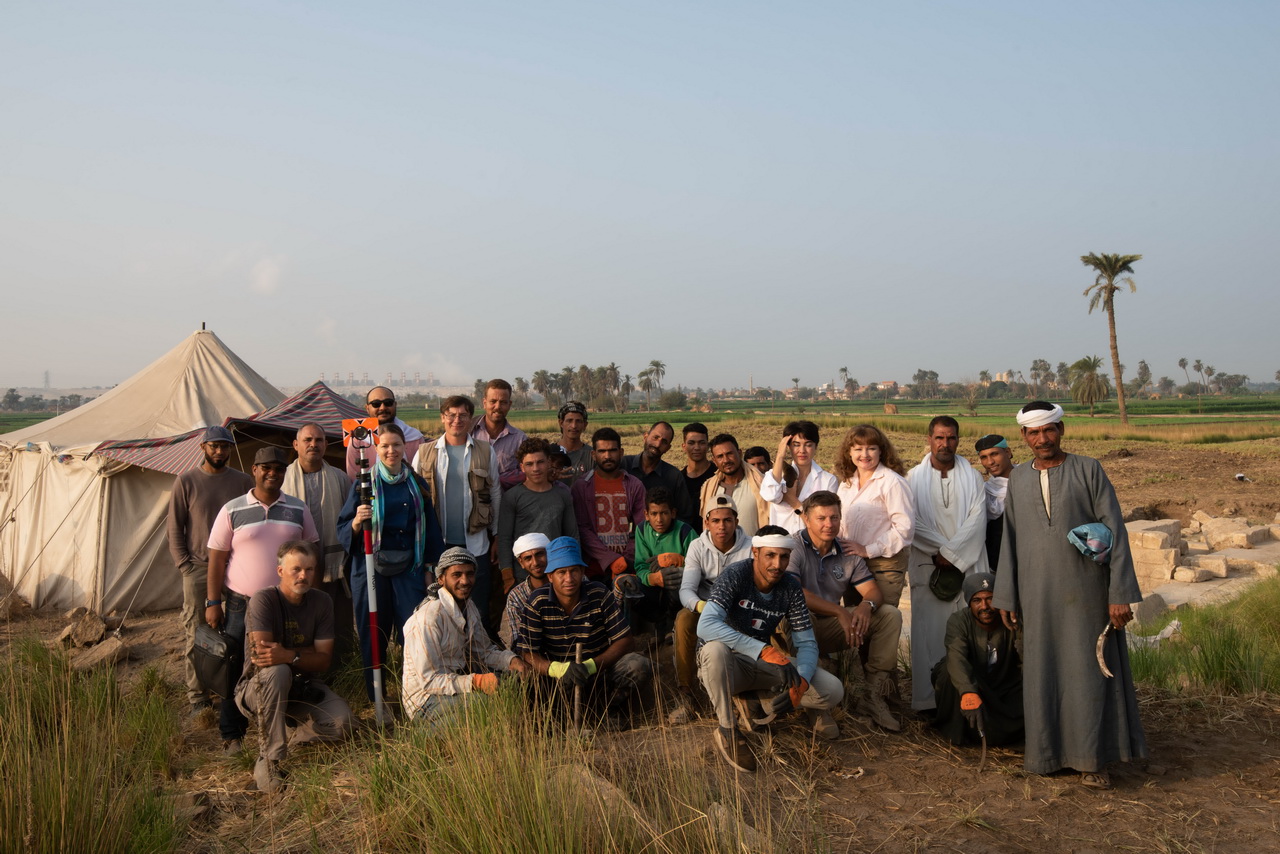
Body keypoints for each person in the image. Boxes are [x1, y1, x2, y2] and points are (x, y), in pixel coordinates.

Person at [993, 401, 1146, 788]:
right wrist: (1007, 596)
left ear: (1061, 429)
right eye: (1033, 432)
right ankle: (1046, 757)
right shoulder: (1020, 479)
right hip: (1036, 596)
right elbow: (1009, 542)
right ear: (1023, 437)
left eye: (1049, 430)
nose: (1042, 438)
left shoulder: (1088, 469)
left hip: (1088, 595)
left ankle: (1092, 760)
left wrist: (1119, 592)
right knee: (1042, 673)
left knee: (1087, 673)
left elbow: (1116, 531)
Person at [697, 526, 845, 772]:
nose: (777, 564)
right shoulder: (735, 574)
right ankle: (727, 728)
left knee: (832, 690)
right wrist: (763, 650)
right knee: (715, 650)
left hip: (761, 665)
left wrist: (802, 684)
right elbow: (706, 625)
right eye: (770, 555)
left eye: (784, 556)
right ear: (755, 551)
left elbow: (807, 643)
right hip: (725, 667)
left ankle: (757, 701)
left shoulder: (790, 587)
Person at [205, 447, 320, 755]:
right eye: (266, 467)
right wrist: (212, 602)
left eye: (279, 469)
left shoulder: (298, 509)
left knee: (281, 663)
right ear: (254, 470)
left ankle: (284, 725)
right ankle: (232, 733)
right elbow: (216, 560)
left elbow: (311, 553)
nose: (273, 473)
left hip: (286, 603)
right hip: (242, 603)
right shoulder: (232, 509)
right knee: (235, 667)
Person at [337, 423, 445, 702]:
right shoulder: (364, 482)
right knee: (372, 633)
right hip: (369, 566)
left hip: (409, 567)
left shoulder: (416, 483)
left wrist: (430, 569)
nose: (391, 451)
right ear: (376, 448)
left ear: (404, 447)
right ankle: (378, 699)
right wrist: (358, 522)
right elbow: (343, 527)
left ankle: (416, 693)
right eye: (384, 445)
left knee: (414, 632)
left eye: (396, 445)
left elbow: (431, 528)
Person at [234, 541, 352, 792]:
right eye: (296, 569)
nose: (303, 576)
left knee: (345, 724)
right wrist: (302, 655)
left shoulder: (321, 602)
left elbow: (324, 659)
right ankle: (270, 759)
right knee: (278, 672)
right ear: (280, 572)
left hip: (305, 686)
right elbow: (263, 657)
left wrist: (288, 654)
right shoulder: (263, 599)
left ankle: (293, 732)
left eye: (309, 570)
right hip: (258, 688)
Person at [786, 491, 903, 733]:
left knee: (890, 615)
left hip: (831, 625)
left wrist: (865, 605)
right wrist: (840, 612)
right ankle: (816, 706)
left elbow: (873, 591)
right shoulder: (793, 546)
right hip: (795, 623)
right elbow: (796, 593)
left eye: (834, 517)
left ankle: (872, 695)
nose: (829, 524)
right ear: (806, 519)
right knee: (802, 616)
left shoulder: (847, 551)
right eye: (821, 518)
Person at [167, 425, 253, 714]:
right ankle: (198, 697)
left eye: (225, 446)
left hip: (238, 567)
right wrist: (185, 566)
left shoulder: (242, 481)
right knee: (198, 631)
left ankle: (236, 690)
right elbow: (174, 527)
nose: (220, 451)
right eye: (214, 446)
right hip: (200, 568)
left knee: (239, 631)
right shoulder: (187, 481)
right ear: (203, 447)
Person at [517, 537, 653, 721]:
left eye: (574, 571)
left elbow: (625, 640)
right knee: (522, 677)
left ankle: (605, 712)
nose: (569, 578)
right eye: (561, 572)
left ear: (582, 571)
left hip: (599, 675)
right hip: (557, 680)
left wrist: (590, 666)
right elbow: (527, 652)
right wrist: (557, 669)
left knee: (637, 665)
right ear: (550, 576)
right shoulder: (537, 602)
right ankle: (553, 718)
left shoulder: (599, 594)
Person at [905, 416, 988, 713]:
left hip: (966, 564)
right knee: (930, 633)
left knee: (970, 631)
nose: (945, 444)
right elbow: (911, 522)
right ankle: (930, 702)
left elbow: (978, 520)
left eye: (951, 438)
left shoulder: (974, 477)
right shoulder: (912, 479)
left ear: (958, 440)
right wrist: (942, 551)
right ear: (929, 439)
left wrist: (951, 554)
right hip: (929, 566)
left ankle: (969, 700)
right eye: (939, 438)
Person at [401, 547, 529, 721]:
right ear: (440, 579)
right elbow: (429, 681)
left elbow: (483, 652)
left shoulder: (469, 608)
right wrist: (476, 681)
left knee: (514, 683)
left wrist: (512, 661)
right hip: (425, 701)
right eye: (457, 575)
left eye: (469, 574)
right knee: (488, 705)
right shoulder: (429, 617)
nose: (465, 580)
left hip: (456, 688)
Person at [414, 395, 502, 635]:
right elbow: (414, 498)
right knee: (440, 607)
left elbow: (494, 492)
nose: (457, 420)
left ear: (470, 418)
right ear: (442, 417)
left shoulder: (485, 451)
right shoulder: (425, 452)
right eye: (451, 415)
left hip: (476, 543)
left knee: (478, 607)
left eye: (463, 415)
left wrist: (496, 536)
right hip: (437, 545)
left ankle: (479, 662)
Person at [672, 495, 751, 723]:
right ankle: (686, 694)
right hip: (706, 608)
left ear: (736, 521)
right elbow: (686, 590)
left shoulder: (750, 547)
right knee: (684, 619)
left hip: (739, 609)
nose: (722, 526)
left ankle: (755, 691)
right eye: (715, 520)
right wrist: (702, 606)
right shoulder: (697, 546)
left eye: (727, 520)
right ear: (706, 522)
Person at [283, 422, 355, 669]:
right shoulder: (283, 481)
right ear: (296, 445)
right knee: (301, 620)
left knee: (337, 619)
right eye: (307, 440)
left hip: (334, 566)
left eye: (318, 440)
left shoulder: (339, 478)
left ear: (326, 444)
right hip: (297, 567)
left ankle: (341, 668)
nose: (313, 444)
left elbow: (350, 520)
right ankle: (305, 668)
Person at [931, 572, 1023, 748]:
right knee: (947, 672)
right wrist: (968, 691)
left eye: (990, 599)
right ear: (968, 602)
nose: (985, 606)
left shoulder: (1013, 620)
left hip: (1004, 687)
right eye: (977, 601)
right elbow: (956, 656)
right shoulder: (959, 620)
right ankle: (956, 734)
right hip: (975, 682)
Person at [832, 424, 915, 608]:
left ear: (881, 451)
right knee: (855, 626)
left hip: (883, 567)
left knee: (880, 622)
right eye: (858, 449)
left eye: (871, 448)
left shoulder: (892, 482)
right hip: (851, 565)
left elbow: (904, 529)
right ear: (849, 452)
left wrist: (867, 550)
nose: (865, 454)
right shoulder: (846, 484)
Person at [497, 437, 578, 586]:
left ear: (548, 462)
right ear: (522, 467)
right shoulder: (512, 497)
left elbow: (572, 535)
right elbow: (504, 538)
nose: (535, 468)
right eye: (529, 464)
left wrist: (573, 567)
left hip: (556, 572)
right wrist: (507, 574)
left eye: (540, 462)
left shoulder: (562, 495)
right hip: (523, 575)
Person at [571, 427, 646, 580]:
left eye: (612, 450)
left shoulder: (634, 485)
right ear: (593, 454)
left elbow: (642, 527)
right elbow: (582, 529)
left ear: (621, 452)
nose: (607, 456)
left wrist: (626, 559)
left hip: (628, 565)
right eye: (602, 451)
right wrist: (610, 558)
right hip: (593, 567)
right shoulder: (581, 486)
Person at [621, 486, 696, 635]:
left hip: (679, 588)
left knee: (674, 575)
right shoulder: (642, 530)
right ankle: (639, 629)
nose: (659, 519)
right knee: (625, 583)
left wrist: (680, 561)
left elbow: (701, 566)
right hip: (652, 586)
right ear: (646, 515)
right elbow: (641, 565)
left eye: (664, 513)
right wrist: (652, 578)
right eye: (654, 514)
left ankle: (671, 626)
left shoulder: (685, 532)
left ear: (673, 513)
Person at [760, 421, 838, 535]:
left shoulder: (828, 480)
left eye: (808, 444)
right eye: (796, 445)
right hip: (782, 545)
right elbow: (771, 495)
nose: (802, 451)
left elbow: (825, 523)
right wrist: (780, 456)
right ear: (788, 447)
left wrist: (794, 502)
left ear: (816, 446)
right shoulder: (776, 476)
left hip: (812, 547)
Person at [622, 422, 697, 529]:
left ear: (668, 448)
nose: (657, 444)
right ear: (645, 437)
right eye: (655, 437)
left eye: (664, 442)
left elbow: (685, 516)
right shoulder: (623, 465)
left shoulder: (673, 476)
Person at [345, 387, 424, 481]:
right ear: (367, 408)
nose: (383, 408)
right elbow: (353, 476)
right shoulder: (358, 440)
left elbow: (421, 474)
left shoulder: (414, 437)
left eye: (388, 403)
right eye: (376, 404)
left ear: (395, 405)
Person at [699, 433, 769, 537]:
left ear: (739, 453)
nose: (726, 460)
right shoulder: (709, 487)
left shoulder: (759, 483)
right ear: (714, 461)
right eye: (720, 456)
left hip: (753, 551)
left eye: (729, 454)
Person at [470, 379, 528, 489]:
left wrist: (498, 480)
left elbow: (527, 473)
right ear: (484, 403)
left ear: (509, 404)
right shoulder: (470, 433)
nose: (497, 407)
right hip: (473, 503)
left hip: (507, 503)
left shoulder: (520, 439)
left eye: (503, 402)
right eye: (493, 401)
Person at [500, 533, 551, 651]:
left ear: (549, 554)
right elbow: (519, 642)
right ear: (521, 563)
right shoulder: (516, 596)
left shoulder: (568, 581)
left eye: (540, 554)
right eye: (528, 558)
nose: (535, 562)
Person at [975, 434, 1015, 571]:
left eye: (994, 454)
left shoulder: (1029, 481)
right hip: (996, 565)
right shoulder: (984, 491)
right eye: (984, 457)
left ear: (1008, 452)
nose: (990, 462)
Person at [679, 423, 716, 533]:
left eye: (701, 443)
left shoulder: (717, 476)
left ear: (708, 446)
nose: (697, 448)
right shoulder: (678, 479)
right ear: (684, 446)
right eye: (691, 443)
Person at [555, 401, 593, 487]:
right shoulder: (548, 453)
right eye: (569, 421)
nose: (574, 426)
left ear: (585, 425)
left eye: (578, 421)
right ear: (561, 423)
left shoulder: (592, 456)